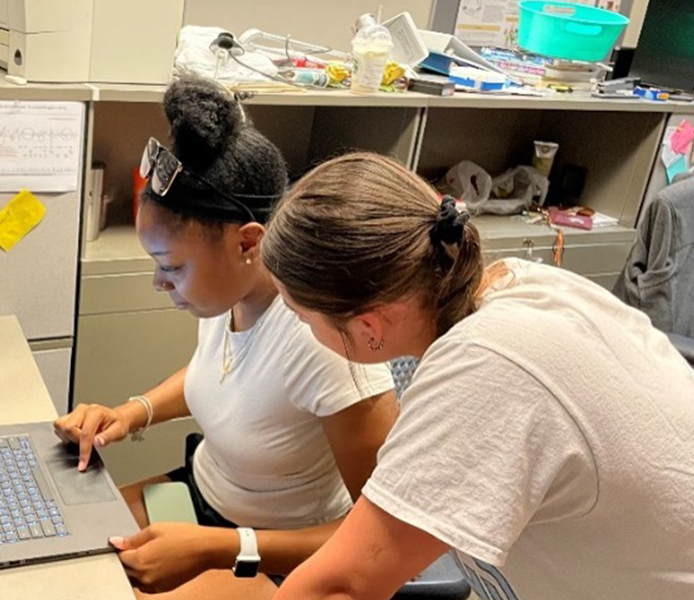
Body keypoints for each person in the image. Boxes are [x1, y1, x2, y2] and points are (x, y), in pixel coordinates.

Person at [261, 152, 694, 600]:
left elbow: (340, 587)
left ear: (367, 327)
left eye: (300, 316)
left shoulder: (485, 370)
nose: (303, 330)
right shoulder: (517, 285)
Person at [54, 79, 397, 599]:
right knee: (57, 555)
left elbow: (377, 542)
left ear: (248, 242)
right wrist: (131, 412)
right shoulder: (227, 295)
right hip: (202, 505)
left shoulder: (326, 346)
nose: (158, 283)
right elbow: (224, 375)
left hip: (276, 553)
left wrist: (218, 549)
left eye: (171, 266)